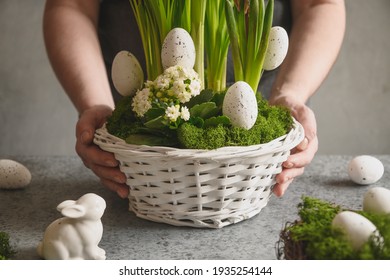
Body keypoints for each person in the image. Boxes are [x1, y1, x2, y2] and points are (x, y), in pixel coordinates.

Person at [43, 0, 346, 199]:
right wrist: (95, 104)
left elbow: (321, 3)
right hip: (144, 125)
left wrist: (290, 94)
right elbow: (71, 5)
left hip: (254, 123)